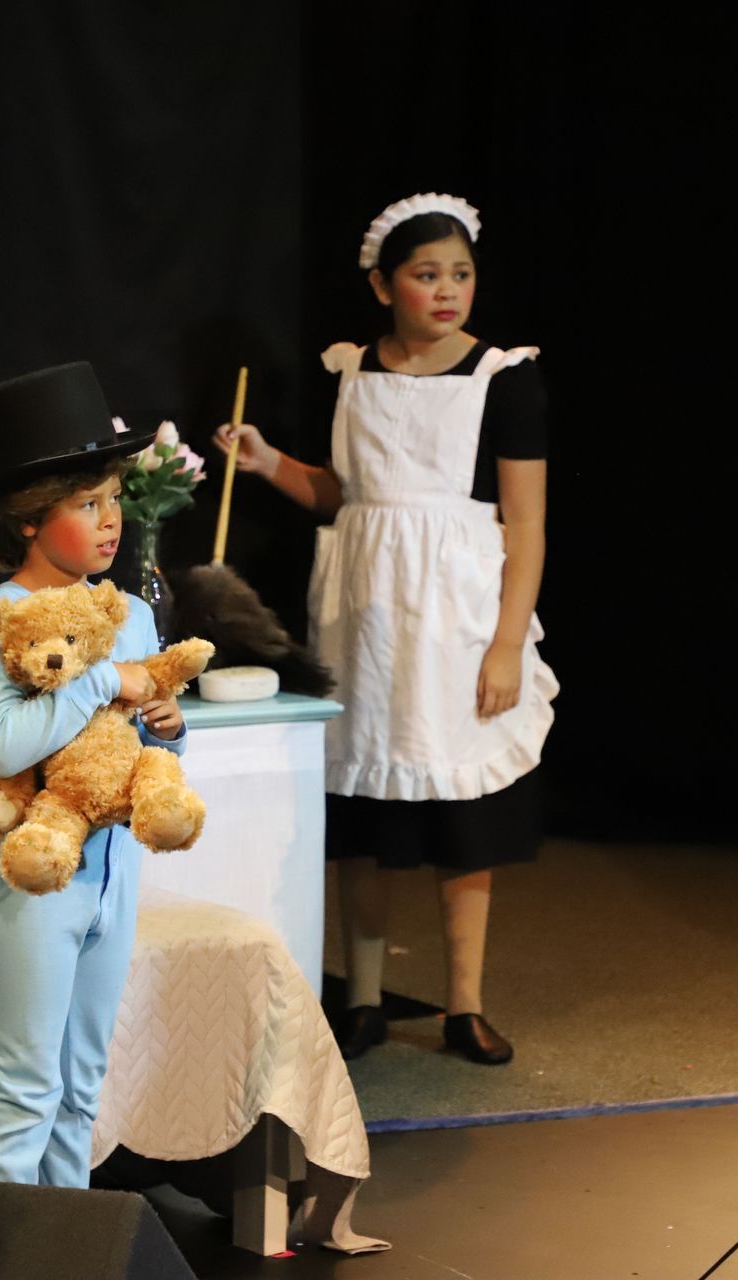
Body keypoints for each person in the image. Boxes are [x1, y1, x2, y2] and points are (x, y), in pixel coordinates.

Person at [214, 193, 557, 1065]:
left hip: (455, 616)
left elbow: (526, 522)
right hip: (366, 616)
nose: (447, 291)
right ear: (382, 284)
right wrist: (266, 464)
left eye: (461, 274)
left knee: (460, 816)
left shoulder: (504, 378)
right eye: (425, 274)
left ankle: (463, 1005)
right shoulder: (351, 370)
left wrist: (508, 642)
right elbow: (344, 493)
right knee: (364, 815)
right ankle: (362, 997)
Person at [0, 361, 187, 1185]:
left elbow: (142, 748)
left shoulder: (133, 613)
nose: (110, 520)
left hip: (112, 869)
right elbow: (7, 746)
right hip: (36, 876)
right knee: (26, 1091)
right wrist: (102, 680)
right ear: (28, 520)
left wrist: (168, 726)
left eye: (114, 499)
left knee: (79, 1091)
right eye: (87, 504)